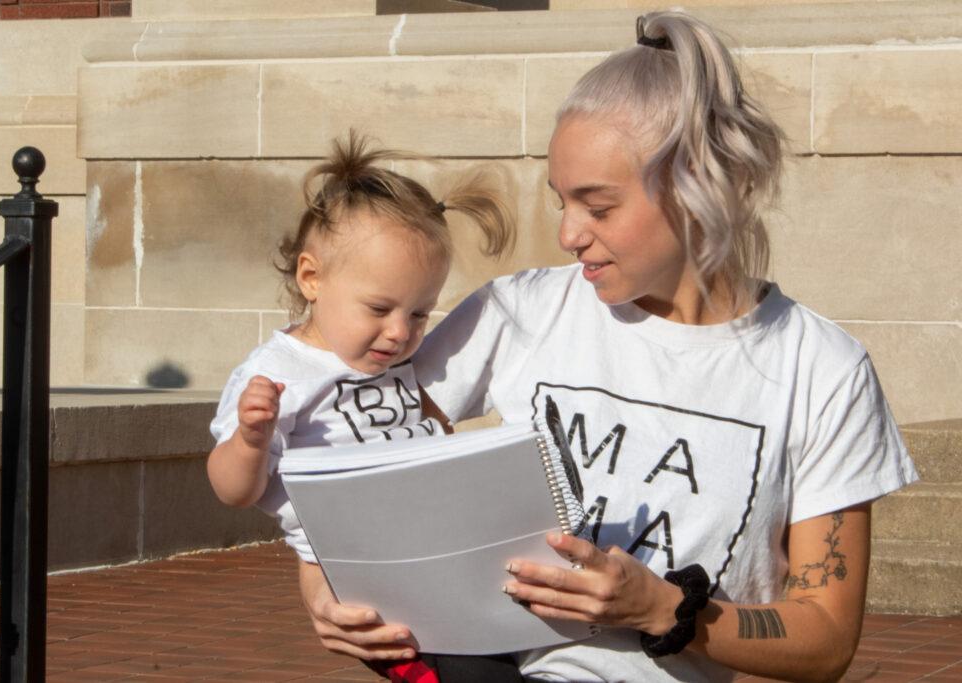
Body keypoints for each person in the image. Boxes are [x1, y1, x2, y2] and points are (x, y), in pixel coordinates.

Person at [297, 11, 919, 682]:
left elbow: (826, 638)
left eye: (598, 206)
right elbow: (344, 453)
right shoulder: (522, 310)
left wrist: (662, 607)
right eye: (561, 201)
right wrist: (322, 590)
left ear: (697, 185)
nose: (568, 233)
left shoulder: (821, 368)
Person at [207, 133, 524, 682]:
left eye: (420, 314)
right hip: (357, 561)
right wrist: (250, 440)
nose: (400, 332)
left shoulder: (395, 360)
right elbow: (234, 491)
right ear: (312, 278)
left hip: (438, 539)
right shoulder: (277, 373)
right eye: (379, 308)